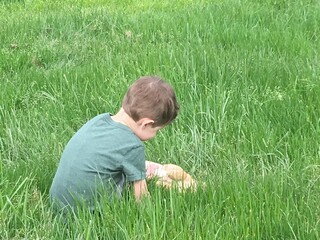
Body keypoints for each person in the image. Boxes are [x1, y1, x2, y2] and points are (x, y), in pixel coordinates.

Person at [49, 76, 179, 214]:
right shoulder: (132, 146)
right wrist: (156, 216)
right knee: (132, 178)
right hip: (87, 213)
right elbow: (141, 198)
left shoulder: (99, 120)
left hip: (58, 202)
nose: (155, 135)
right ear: (146, 123)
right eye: (156, 130)